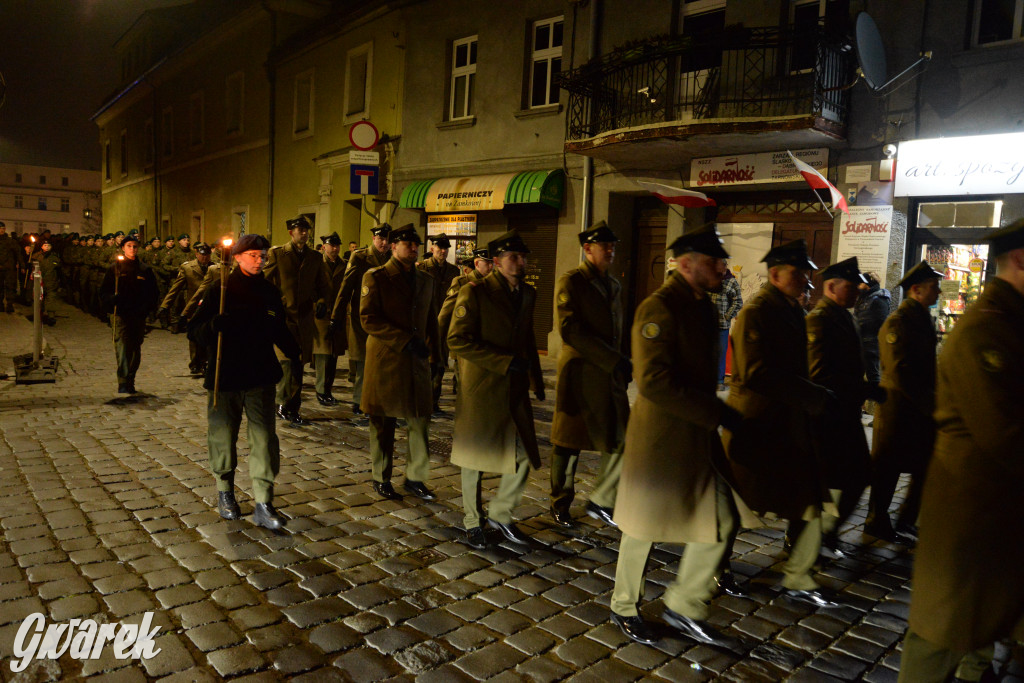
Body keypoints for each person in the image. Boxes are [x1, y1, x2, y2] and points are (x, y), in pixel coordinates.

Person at [609, 225, 756, 647]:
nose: (722, 268)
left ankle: (684, 605)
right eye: (714, 261)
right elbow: (653, 382)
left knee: (723, 519)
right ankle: (623, 605)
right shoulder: (659, 308)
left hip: (697, 436)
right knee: (642, 528)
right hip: (663, 438)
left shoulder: (702, 304)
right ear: (687, 264)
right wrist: (718, 412)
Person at [898, 221, 1024, 683]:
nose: (935, 291)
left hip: (999, 509)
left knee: (980, 619)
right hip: (974, 509)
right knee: (941, 630)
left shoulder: (1010, 322)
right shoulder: (985, 331)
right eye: (929, 285)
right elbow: (1002, 431)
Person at [720, 239, 838, 607]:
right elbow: (757, 374)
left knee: (808, 498)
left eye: (807, 273)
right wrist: (812, 395)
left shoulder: (788, 309)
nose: (807, 281)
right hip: (757, 422)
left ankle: (799, 573)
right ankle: (716, 567)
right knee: (736, 504)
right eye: (799, 273)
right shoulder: (758, 311)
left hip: (788, 423)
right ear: (774, 274)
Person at [187, 234, 301, 531]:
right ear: (237, 257)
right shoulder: (219, 290)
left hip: (260, 376)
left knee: (264, 440)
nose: (259, 260)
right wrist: (214, 325)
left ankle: (263, 501)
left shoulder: (268, 291)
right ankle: (225, 491)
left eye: (263, 255)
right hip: (226, 377)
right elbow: (193, 329)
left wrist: (296, 351)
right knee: (223, 437)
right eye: (253, 255)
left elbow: (278, 327)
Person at [448, 229, 545, 549]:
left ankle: (501, 514)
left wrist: (536, 378)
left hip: (515, 387)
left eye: (523, 257)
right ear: (499, 262)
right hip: (483, 387)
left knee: (523, 456)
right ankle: (473, 522)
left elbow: (527, 337)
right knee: (474, 458)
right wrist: (502, 362)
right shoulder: (475, 292)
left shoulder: (527, 294)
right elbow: (457, 340)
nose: (520, 262)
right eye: (513, 258)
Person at [549, 221, 630, 529]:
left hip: (608, 376)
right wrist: (613, 360)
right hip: (580, 374)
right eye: (604, 247)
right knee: (568, 442)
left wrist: (621, 363)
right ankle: (560, 501)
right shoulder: (572, 282)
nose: (610, 252)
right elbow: (570, 330)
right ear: (587, 249)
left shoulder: (613, 284)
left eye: (612, 247)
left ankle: (602, 500)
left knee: (619, 439)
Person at [806, 257, 884, 557]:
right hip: (829, 417)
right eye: (850, 287)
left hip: (846, 413)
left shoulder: (844, 315)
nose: (856, 292)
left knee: (857, 478)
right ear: (831, 287)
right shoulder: (820, 318)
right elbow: (819, 374)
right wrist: (861, 390)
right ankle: (810, 539)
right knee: (824, 483)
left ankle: (826, 533)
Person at [360, 224, 440, 501]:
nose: (414, 249)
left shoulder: (426, 279)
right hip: (387, 359)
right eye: (408, 244)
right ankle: (381, 476)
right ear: (393, 246)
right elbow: (368, 318)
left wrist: (437, 354)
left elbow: (432, 319)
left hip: (416, 361)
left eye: (416, 245)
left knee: (419, 421)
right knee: (383, 422)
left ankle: (415, 478)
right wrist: (404, 340)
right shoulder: (377, 277)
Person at [865, 260, 943, 542]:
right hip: (899, 410)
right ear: (916, 290)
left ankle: (906, 520)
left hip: (917, 410)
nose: (939, 292)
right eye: (934, 287)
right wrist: (930, 404)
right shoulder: (898, 322)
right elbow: (900, 372)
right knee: (888, 468)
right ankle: (876, 519)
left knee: (923, 466)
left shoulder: (921, 318)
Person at [263, 214, 330, 425]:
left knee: (299, 362)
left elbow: (323, 285)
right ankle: (282, 402)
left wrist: (321, 300)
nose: (304, 233)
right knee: (287, 362)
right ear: (291, 232)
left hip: (304, 318)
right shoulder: (278, 254)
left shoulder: (315, 257)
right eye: (300, 229)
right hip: (284, 317)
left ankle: (293, 406)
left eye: (306, 230)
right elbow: (264, 281)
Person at [330, 224, 392, 415]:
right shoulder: (360, 256)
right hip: (361, 316)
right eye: (381, 239)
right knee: (363, 362)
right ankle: (359, 401)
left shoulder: (392, 258)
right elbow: (346, 287)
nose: (384, 243)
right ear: (374, 239)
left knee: (382, 362)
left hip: (385, 318)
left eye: (387, 240)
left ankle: (377, 399)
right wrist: (336, 316)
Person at [99, 234, 159, 394]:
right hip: (120, 314)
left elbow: (153, 293)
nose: (132, 249)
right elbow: (104, 292)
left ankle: (131, 378)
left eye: (135, 246)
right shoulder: (115, 269)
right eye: (129, 246)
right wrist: (113, 300)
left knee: (135, 348)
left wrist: (147, 310)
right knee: (122, 347)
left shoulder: (145, 270)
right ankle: (123, 381)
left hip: (138, 314)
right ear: (123, 248)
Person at [437, 248, 492, 396]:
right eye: (487, 263)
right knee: (466, 385)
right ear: (477, 263)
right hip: (465, 342)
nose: (491, 267)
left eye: (492, 263)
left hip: (485, 344)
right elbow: (446, 313)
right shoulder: (462, 282)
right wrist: (437, 341)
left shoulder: (493, 284)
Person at [418, 233, 461, 412]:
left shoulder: (453, 271)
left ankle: (434, 401)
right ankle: (423, 400)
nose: (442, 251)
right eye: (439, 248)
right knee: (426, 364)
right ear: (432, 248)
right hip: (426, 323)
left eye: (445, 248)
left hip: (444, 326)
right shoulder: (422, 268)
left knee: (440, 364)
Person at [161, 242, 214, 373]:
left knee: (209, 334)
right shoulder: (188, 268)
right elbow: (175, 288)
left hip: (210, 306)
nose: (204, 258)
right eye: (202, 255)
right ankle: (195, 362)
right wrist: (164, 305)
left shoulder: (215, 268)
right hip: (193, 306)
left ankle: (207, 362)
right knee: (194, 335)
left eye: (207, 255)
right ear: (196, 255)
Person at [312, 232, 348, 406]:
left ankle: (328, 389)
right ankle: (321, 390)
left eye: (337, 246)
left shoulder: (344, 265)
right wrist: (316, 303)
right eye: (331, 246)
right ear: (324, 247)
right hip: (321, 314)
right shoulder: (317, 263)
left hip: (338, 314)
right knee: (323, 355)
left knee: (333, 355)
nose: (334, 249)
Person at [854, 272, 891, 392]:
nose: (858, 286)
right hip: (861, 342)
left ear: (868, 284)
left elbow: (880, 322)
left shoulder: (879, 299)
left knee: (873, 377)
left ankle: (877, 407)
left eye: (861, 283)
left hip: (871, 344)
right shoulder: (864, 297)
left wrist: (861, 325)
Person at [709, 265, 742, 390]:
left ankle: (719, 381)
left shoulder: (731, 281)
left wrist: (727, 316)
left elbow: (738, 301)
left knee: (721, 352)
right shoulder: (709, 279)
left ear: (725, 267)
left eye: (722, 266)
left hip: (722, 324)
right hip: (708, 323)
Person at [31, 239, 61, 325]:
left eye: (48, 246)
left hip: (51, 281)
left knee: (51, 299)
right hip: (39, 281)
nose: (47, 247)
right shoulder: (36, 256)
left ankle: (51, 316)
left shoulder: (55, 257)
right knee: (39, 299)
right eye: (45, 245)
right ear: (41, 246)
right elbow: (32, 267)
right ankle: (39, 315)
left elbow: (59, 269)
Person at [0, 221, 26, 313]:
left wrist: (22, 265)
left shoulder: (10, 241)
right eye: (0, 229)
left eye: (3, 229)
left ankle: (10, 304)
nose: (1, 230)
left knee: (10, 286)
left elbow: (18, 254)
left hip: (9, 268)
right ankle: (0, 305)